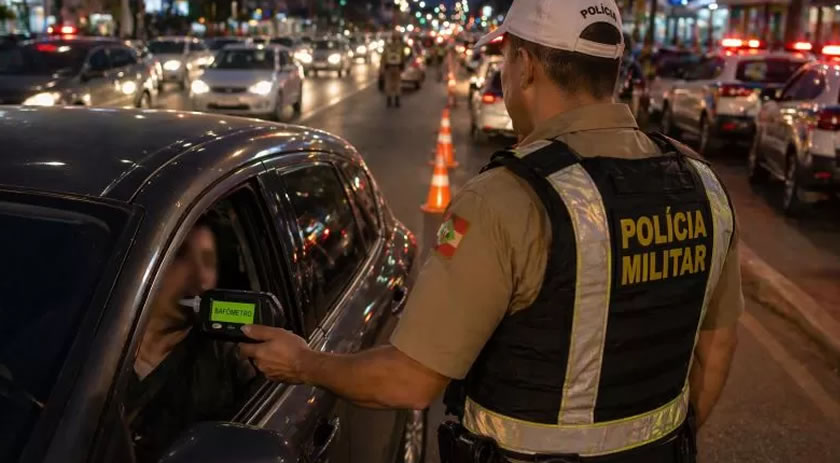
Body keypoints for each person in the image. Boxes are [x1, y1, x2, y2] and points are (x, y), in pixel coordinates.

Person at [239, 1, 743, 461]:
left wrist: (303, 363)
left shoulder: (508, 199)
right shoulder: (702, 185)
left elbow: (409, 381)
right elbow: (716, 350)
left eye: (504, 59)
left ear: (525, 65)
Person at [127, 216, 257, 462]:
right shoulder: (95, 348)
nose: (200, 278)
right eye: (180, 256)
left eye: (208, 262)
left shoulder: (231, 360)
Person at [382, 30, 406, 108]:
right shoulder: (400, 46)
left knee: (388, 83)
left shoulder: (387, 46)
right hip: (397, 67)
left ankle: (389, 101)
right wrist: (403, 66)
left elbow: (383, 57)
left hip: (389, 67)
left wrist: (382, 67)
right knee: (397, 84)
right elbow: (403, 57)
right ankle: (397, 101)